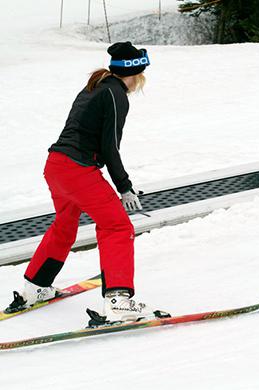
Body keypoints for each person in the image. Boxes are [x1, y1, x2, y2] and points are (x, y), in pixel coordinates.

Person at [5, 42, 156, 323]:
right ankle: (118, 301)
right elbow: (110, 146)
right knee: (117, 226)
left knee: (65, 223)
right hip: (77, 170)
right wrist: (124, 186)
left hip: (56, 166)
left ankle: (35, 288)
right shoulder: (116, 94)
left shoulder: (96, 86)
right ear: (135, 73)